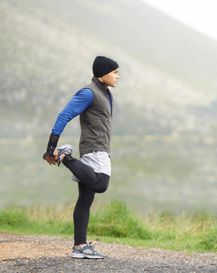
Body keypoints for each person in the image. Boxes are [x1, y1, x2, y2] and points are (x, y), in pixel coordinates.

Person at [43, 56, 119, 259]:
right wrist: (51, 147)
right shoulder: (88, 93)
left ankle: (79, 246)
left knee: (85, 200)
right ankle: (65, 157)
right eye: (114, 72)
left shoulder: (106, 94)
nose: (117, 76)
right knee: (101, 184)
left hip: (97, 149)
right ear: (102, 74)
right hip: (95, 150)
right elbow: (64, 115)